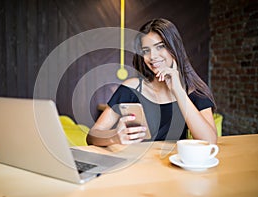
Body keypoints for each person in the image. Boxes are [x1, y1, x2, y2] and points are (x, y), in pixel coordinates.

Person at [87, 18, 217, 146]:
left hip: (175, 164)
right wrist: (114, 137)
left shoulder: (194, 91)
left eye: (160, 47)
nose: (153, 56)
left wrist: (178, 91)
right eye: (146, 51)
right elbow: (92, 135)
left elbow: (210, 142)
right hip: (139, 165)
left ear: (174, 48)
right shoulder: (131, 88)